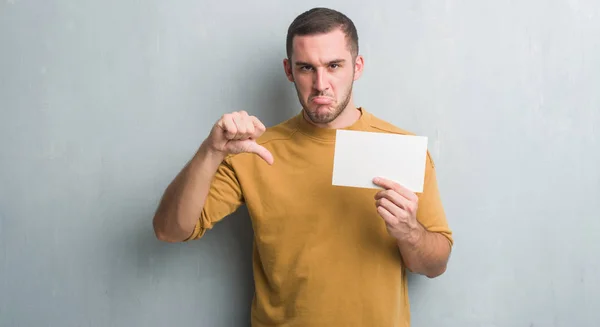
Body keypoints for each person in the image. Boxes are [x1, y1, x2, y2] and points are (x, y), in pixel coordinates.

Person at [152, 7, 453, 327]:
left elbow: (435, 264)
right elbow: (169, 230)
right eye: (307, 67)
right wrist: (210, 151)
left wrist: (410, 232)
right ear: (289, 70)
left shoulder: (401, 151)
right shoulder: (254, 150)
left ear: (358, 66)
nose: (321, 83)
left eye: (334, 66)